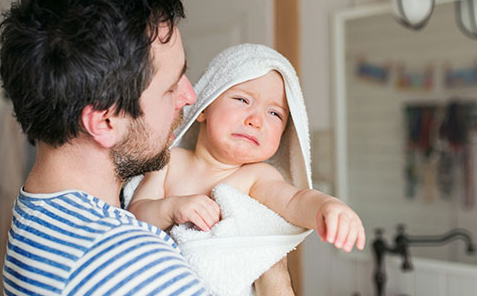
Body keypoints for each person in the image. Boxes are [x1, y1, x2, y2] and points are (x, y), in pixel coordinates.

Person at [0, 0, 327, 296]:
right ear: (104, 122)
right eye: (172, 86)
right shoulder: (122, 267)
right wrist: (267, 259)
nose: (190, 96)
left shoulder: (40, 215)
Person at [129, 44, 366, 253]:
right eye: (243, 100)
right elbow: (135, 214)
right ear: (203, 107)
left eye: (274, 113)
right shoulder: (168, 161)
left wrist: (328, 206)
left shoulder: (257, 177)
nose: (256, 120)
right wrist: (172, 208)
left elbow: (296, 201)